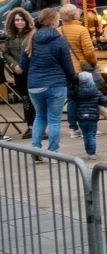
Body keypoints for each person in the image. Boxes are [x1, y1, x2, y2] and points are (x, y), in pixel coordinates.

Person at [22, 8, 79, 156]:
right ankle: (53, 152)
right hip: (56, 83)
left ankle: (35, 149)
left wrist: (33, 77)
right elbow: (67, 65)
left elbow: (24, 64)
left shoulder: (30, 38)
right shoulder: (60, 40)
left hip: (34, 84)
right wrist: (74, 80)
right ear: (54, 22)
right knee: (54, 119)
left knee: (40, 116)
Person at [57, 4, 96, 138]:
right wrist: (93, 63)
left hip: (65, 70)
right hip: (82, 69)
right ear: (74, 15)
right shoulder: (81, 30)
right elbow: (89, 50)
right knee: (87, 99)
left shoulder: (58, 31)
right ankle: (89, 126)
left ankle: (73, 128)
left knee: (72, 100)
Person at [4, 9, 36, 137]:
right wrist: (13, 65)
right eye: (17, 20)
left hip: (32, 71)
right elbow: (6, 53)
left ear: (27, 21)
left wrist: (24, 64)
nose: (19, 22)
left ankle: (38, 127)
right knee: (26, 100)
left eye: (22, 19)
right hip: (19, 74)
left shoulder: (32, 34)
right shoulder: (10, 37)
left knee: (35, 99)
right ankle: (30, 126)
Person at [72, 71, 106, 160]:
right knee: (91, 135)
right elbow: (104, 100)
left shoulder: (76, 91)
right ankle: (92, 153)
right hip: (92, 117)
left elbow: (73, 101)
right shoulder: (96, 91)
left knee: (85, 135)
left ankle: (88, 151)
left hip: (81, 117)